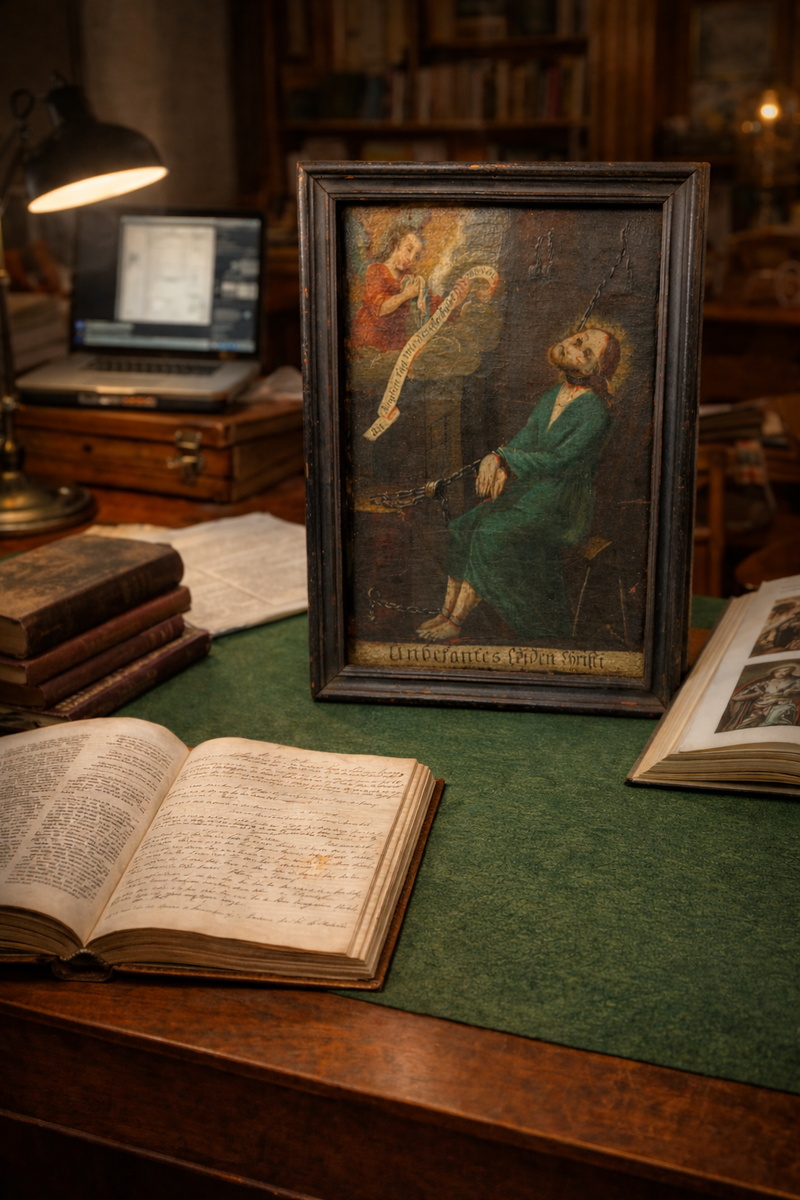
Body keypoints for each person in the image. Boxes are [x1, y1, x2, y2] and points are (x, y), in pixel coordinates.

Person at [417, 326, 621, 642]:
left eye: (585, 348)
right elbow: (526, 438)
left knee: (488, 533)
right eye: (577, 337)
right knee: (462, 527)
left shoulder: (595, 410)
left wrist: (508, 461)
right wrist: (499, 461)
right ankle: (444, 613)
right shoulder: (553, 396)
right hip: (533, 491)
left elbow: (561, 459)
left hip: (562, 503)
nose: (572, 343)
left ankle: (456, 622)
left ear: (594, 369)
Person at [350, 226, 467, 353]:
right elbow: (379, 309)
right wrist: (405, 295)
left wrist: (456, 300)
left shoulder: (412, 280)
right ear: (396, 245)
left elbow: (433, 307)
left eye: (416, 256)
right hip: (370, 343)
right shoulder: (376, 271)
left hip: (396, 346)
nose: (411, 259)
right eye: (408, 249)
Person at [722, 664, 800, 730]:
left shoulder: (794, 681)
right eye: (780, 671)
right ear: (774, 671)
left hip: (781, 703)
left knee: (778, 718)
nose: (783, 673)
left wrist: (790, 691)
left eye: (787, 671)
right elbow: (740, 695)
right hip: (762, 703)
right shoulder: (765, 681)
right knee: (752, 718)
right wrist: (757, 694)